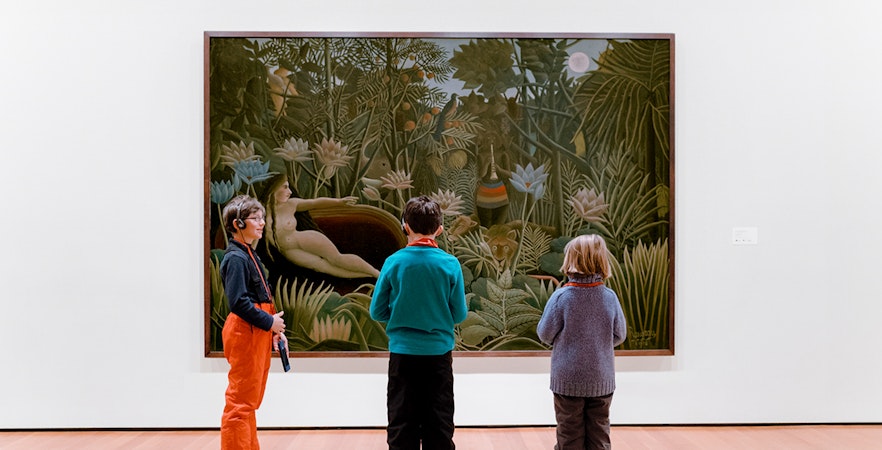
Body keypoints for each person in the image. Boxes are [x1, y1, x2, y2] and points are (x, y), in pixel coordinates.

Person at [370, 196, 469, 450]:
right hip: (438, 357)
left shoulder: (394, 262)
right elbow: (459, 315)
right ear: (439, 229)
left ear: (405, 226)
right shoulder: (450, 264)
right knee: (439, 424)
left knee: (402, 425)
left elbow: (376, 311)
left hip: (403, 356)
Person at [537, 234, 627, 450]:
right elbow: (620, 335)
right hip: (601, 379)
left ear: (570, 260)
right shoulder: (609, 297)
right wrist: (597, 344)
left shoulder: (561, 297)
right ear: (602, 261)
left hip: (567, 381)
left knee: (569, 435)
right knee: (599, 435)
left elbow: (545, 334)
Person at [219, 195, 287, 450]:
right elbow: (238, 302)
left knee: (250, 401)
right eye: (255, 219)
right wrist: (269, 322)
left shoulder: (248, 253)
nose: (262, 223)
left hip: (256, 331)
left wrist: (273, 329)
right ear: (238, 223)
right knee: (240, 403)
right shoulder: (236, 258)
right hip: (245, 333)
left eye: (262, 218)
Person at [263, 175, 380, 278]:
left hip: (303, 239)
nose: (289, 191)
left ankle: (376, 273)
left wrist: (339, 202)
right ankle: (368, 276)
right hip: (289, 251)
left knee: (337, 259)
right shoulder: (260, 210)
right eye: (284, 187)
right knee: (323, 268)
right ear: (274, 188)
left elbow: (314, 203)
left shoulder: (291, 204)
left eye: (289, 187)